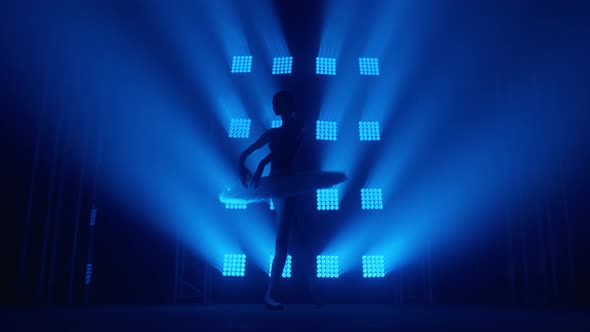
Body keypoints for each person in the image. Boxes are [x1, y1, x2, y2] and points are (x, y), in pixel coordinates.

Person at [239, 91, 304, 309]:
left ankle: (273, 292)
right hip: (277, 184)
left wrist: (261, 164)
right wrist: (243, 167)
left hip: (286, 182)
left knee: (288, 239)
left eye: (281, 102)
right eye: (276, 103)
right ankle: (271, 293)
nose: (278, 106)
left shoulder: (297, 126)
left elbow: (286, 150)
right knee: (284, 240)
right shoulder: (272, 133)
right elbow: (244, 153)